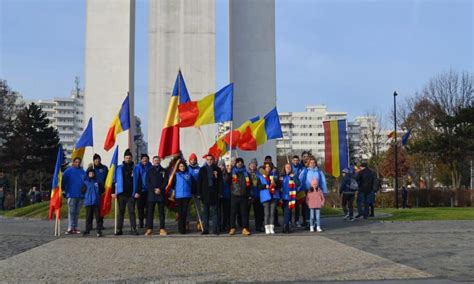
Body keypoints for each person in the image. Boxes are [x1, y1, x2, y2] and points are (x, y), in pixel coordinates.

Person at [112, 149, 139, 236]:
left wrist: (137, 191)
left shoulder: (135, 168)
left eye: (129, 158)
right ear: (124, 158)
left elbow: (139, 181)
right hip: (121, 194)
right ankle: (119, 229)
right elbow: (113, 180)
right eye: (126, 158)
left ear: (131, 158)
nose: (128, 159)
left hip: (131, 194)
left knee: (132, 212)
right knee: (121, 212)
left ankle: (133, 229)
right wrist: (113, 191)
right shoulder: (118, 168)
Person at [197, 154, 223, 235]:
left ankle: (215, 229)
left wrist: (220, 192)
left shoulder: (218, 169)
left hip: (214, 193)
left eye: (211, 159)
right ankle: (206, 229)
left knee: (215, 212)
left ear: (213, 160)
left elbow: (220, 182)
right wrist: (199, 193)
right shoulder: (202, 169)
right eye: (208, 159)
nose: (209, 161)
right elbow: (199, 182)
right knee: (206, 212)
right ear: (206, 160)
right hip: (205, 193)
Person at [299, 157, 327, 229]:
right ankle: (309, 222)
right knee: (307, 207)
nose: (312, 164)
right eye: (311, 163)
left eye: (314, 163)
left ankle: (316, 223)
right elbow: (300, 180)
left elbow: (323, 181)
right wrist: (298, 189)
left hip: (317, 191)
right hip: (307, 191)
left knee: (316, 207)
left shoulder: (319, 171)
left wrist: (324, 191)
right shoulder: (305, 171)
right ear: (308, 163)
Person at [145, 156, 168, 236]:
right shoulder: (149, 171)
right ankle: (149, 229)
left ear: (160, 161)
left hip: (161, 194)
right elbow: (147, 182)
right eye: (155, 160)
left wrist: (160, 189)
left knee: (161, 213)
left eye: (158, 160)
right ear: (153, 161)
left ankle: (162, 229)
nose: (156, 161)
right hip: (152, 194)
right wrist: (154, 189)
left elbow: (166, 181)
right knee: (150, 213)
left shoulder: (164, 171)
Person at [62, 158, 86, 234]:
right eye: (76, 162)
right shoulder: (68, 171)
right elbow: (63, 181)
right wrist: (64, 191)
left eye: (79, 162)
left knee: (77, 212)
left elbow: (86, 182)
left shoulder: (83, 171)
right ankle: (70, 227)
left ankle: (75, 227)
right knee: (71, 212)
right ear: (73, 162)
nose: (78, 163)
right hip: (71, 195)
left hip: (80, 195)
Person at [229, 158, 252, 236]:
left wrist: (249, 195)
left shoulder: (246, 173)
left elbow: (250, 185)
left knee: (244, 213)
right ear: (235, 164)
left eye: (241, 162)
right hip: (234, 195)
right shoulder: (232, 172)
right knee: (233, 213)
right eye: (238, 162)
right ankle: (232, 228)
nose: (239, 164)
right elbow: (227, 181)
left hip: (243, 195)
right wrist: (229, 173)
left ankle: (245, 228)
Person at [173, 160, 194, 234]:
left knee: (185, 212)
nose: (182, 167)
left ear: (185, 167)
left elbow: (193, 184)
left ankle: (183, 229)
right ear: (178, 167)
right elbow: (172, 185)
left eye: (183, 166)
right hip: (178, 196)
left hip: (187, 196)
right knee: (180, 213)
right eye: (180, 166)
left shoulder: (189, 174)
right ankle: (180, 228)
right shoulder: (175, 175)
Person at [82, 168, 103, 237]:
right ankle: (87, 230)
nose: (91, 174)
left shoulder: (98, 182)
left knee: (98, 217)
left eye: (93, 173)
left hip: (96, 202)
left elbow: (102, 190)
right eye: (90, 173)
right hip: (88, 202)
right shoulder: (85, 182)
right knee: (88, 217)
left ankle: (99, 230)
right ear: (88, 174)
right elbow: (82, 191)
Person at [260, 162, 280, 235]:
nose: (268, 168)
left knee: (272, 213)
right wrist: (265, 186)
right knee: (267, 213)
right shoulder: (261, 176)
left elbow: (279, 185)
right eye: (266, 167)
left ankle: (272, 227)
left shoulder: (274, 176)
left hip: (274, 196)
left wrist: (275, 184)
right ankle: (267, 227)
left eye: (269, 167)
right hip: (266, 196)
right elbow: (259, 186)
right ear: (264, 168)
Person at [280, 163, 301, 233]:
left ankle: (285, 226)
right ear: (284, 168)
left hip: (291, 197)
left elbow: (298, 183)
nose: (288, 168)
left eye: (289, 167)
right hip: (283, 197)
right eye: (287, 167)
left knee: (287, 211)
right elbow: (278, 185)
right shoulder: (282, 176)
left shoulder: (294, 175)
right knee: (286, 212)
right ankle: (286, 226)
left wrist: (294, 177)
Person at [134, 154, 152, 228]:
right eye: (143, 159)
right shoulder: (137, 167)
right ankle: (141, 222)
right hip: (140, 191)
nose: (145, 160)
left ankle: (147, 222)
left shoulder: (151, 167)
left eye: (146, 158)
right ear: (141, 160)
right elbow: (135, 179)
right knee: (140, 208)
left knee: (148, 208)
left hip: (148, 191)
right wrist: (136, 191)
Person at [92, 154, 108, 231]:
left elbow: (108, 178)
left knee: (101, 208)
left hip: (102, 191)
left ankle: (100, 224)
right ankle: (90, 224)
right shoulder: (91, 169)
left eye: (98, 159)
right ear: (93, 161)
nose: (97, 161)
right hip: (93, 192)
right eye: (95, 159)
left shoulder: (104, 168)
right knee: (92, 208)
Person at [248, 159, 264, 232]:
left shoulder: (259, 174)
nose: (253, 165)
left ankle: (258, 226)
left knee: (258, 212)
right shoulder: (246, 173)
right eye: (251, 164)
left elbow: (262, 183)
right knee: (246, 212)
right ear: (249, 165)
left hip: (257, 195)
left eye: (254, 164)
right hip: (248, 195)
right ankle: (246, 227)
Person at [187, 153, 202, 232]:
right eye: (191, 160)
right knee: (187, 208)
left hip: (197, 191)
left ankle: (199, 222)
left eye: (194, 160)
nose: (193, 161)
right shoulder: (186, 168)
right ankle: (187, 222)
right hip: (188, 191)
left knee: (198, 208)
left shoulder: (199, 169)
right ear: (189, 160)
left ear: (196, 160)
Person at [290, 155, 304, 227]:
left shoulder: (301, 167)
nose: (295, 162)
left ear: (298, 161)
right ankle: (289, 221)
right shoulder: (289, 167)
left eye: (297, 160)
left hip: (299, 189)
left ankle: (297, 221)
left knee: (297, 206)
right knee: (290, 206)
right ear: (292, 161)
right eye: (294, 160)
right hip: (291, 189)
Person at [219, 160, 231, 232]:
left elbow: (229, 181)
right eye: (220, 165)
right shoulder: (216, 173)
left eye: (222, 165)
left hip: (226, 195)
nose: (221, 167)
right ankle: (219, 226)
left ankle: (226, 225)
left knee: (226, 212)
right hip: (219, 195)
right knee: (219, 212)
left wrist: (229, 173)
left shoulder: (227, 173)